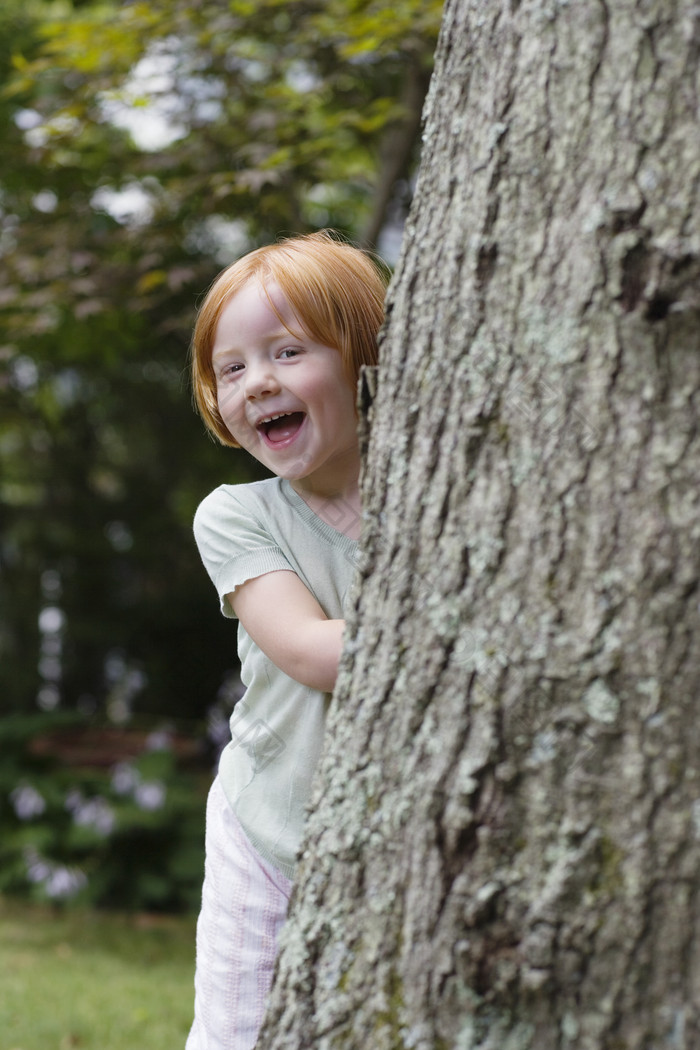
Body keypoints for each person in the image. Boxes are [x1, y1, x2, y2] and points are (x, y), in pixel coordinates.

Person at [186, 230, 388, 1050]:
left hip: (388, 834)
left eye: (288, 350)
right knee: (238, 1034)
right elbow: (310, 651)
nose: (257, 381)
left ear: (364, 356)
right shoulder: (237, 515)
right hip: (267, 826)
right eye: (231, 368)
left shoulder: (436, 485)